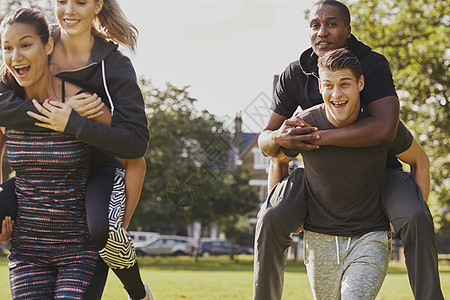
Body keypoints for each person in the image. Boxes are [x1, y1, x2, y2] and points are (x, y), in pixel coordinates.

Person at [254, 1, 443, 299]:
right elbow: (270, 144)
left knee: (417, 217)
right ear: (319, 84)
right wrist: (280, 138)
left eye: (331, 24)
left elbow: (385, 130)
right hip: (318, 174)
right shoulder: (294, 75)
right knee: (270, 215)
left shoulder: (372, 64)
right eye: (315, 25)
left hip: (380, 171)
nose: (322, 32)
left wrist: (320, 139)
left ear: (347, 30)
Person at [0, 1, 152, 299]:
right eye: (61, 1)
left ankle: (138, 291)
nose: (69, 10)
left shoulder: (112, 66)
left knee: (102, 230)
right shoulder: (32, 47)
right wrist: (58, 112)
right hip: (40, 178)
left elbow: (136, 146)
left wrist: (74, 122)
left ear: (98, 5)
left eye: (80, 2)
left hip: (98, 165)